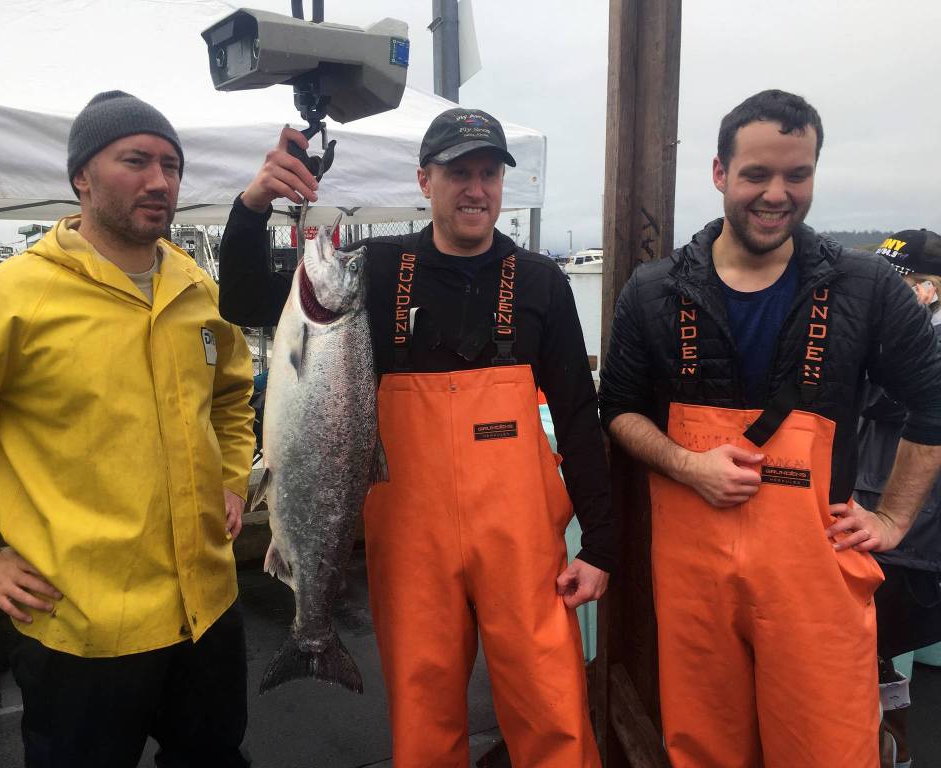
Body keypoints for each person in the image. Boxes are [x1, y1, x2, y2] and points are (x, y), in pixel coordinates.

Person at [219, 110, 614, 767]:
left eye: (488, 173)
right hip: (410, 542)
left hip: (522, 547)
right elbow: (243, 298)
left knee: (553, 712)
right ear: (424, 181)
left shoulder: (541, 281)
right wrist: (254, 205)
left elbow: (576, 416)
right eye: (459, 172)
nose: (476, 188)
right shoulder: (371, 270)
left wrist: (601, 544)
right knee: (423, 718)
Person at [598, 89, 941, 767]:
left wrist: (894, 518)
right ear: (720, 172)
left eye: (797, 174)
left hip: (813, 575)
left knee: (828, 748)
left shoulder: (867, 289)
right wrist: (687, 464)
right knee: (704, 747)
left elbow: (931, 403)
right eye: (757, 174)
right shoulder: (653, 290)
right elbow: (618, 409)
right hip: (694, 580)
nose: (776, 193)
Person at [0, 91, 256, 768]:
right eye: (135, 160)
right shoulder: (6, 298)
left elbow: (231, 397)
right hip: (83, 629)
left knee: (212, 759)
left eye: (170, 164)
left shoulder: (196, 291)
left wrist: (233, 481)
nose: (159, 181)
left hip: (208, 609)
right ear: (82, 176)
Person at [857, 229, 941, 768]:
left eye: (899, 285)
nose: (880, 297)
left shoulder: (922, 349)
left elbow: (875, 398)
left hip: (908, 538)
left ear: (930, 290)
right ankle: (892, 751)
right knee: (878, 656)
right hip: (878, 521)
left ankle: (891, 752)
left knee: (869, 650)